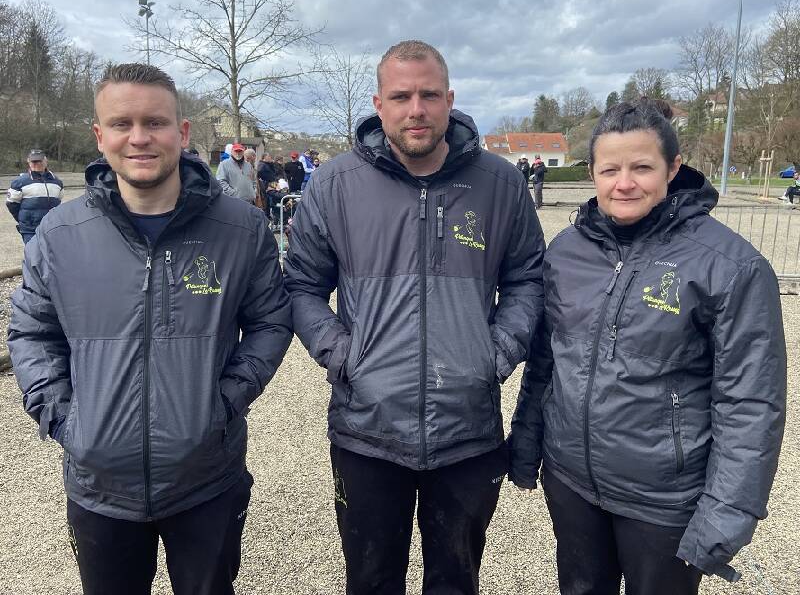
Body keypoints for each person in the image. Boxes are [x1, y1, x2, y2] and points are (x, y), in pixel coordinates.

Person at [8, 63, 293, 595]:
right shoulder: (60, 233)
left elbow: (271, 322)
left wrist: (223, 404)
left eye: (155, 122)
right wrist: (66, 418)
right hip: (100, 488)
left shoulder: (240, 229)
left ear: (181, 132)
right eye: (122, 123)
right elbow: (31, 332)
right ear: (100, 135)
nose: (139, 137)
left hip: (207, 480)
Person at [284, 40, 545, 595]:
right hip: (367, 432)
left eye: (429, 95)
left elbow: (527, 278)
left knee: (456, 580)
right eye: (401, 96)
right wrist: (342, 354)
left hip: (466, 431)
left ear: (450, 99)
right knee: (371, 579)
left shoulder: (501, 184)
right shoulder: (334, 185)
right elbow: (302, 285)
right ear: (379, 104)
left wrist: (495, 353)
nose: (416, 109)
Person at [509, 99, 786, 595]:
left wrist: (726, 512)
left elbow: (750, 402)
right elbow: (547, 360)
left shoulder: (730, 266)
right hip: (571, 482)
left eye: (641, 167)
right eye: (609, 169)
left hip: (664, 500)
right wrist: (527, 444)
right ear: (592, 173)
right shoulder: (567, 252)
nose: (624, 183)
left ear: (673, 168)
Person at [6, 149, 64, 244]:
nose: (36, 164)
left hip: (51, 228)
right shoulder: (19, 182)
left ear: (46, 161)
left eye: (39, 161)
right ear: (28, 162)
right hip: (30, 230)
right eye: (33, 161)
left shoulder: (57, 182)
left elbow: (58, 201)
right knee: (33, 253)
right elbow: (11, 204)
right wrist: (24, 219)